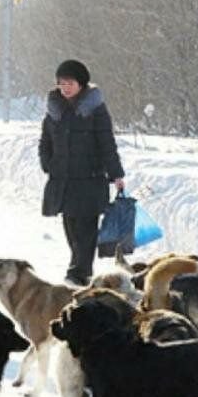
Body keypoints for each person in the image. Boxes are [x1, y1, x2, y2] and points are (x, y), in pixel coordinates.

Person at [38, 59, 126, 286]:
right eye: (61, 83)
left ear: (81, 83)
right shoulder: (54, 110)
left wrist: (116, 174)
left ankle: (79, 273)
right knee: (71, 229)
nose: (65, 87)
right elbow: (45, 141)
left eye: (70, 82)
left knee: (87, 230)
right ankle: (78, 268)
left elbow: (107, 143)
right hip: (64, 182)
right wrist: (48, 163)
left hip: (89, 180)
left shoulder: (95, 110)